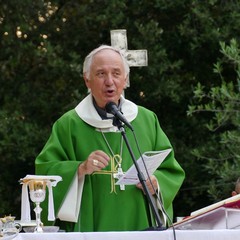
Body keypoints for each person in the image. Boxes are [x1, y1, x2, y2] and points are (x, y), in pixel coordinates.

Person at [35, 45, 185, 232]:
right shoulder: (69, 124)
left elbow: (171, 170)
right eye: (100, 74)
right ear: (87, 80)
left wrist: (157, 183)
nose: (109, 81)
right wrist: (79, 169)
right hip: (91, 227)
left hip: (140, 224)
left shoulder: (146, 120)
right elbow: (45, 173)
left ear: (125, 79)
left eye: (116, 73)